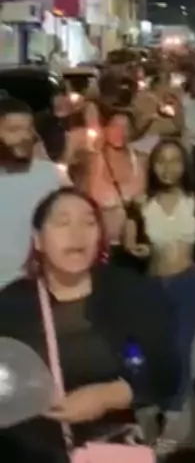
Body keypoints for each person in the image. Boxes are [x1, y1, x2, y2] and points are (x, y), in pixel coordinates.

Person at [0, 187, 179, 462]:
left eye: (89, 222)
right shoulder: (10, 305)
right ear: (38, 240)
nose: (77, 234)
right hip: (28, 452)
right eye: (63, 223)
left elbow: (167, 370)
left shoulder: (131, 291)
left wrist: (110, 395)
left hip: (111, 450)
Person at [126, 138, 195, 447]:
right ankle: (148, 405)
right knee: (148, 348)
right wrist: (136, 248)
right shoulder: (141, 203)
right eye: (161, 161)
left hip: (187, 282)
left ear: (184, 166)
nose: (167, 167)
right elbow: (130, 241)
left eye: (174, 160)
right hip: (152, 284)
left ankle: (174, 413)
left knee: (180, 348)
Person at [0, 98, 66, 290]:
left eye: (28, 129)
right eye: (14, 130)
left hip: (39, 288)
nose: (25, 137)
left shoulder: (50, 174)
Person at [85, 108, 147, 264]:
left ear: (133, 133)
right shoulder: (91, 162)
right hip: (100, 251)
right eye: (115, 126)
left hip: (134, 249)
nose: (120, 132)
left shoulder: (142, 161)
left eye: (126, 127)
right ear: (105, 129)